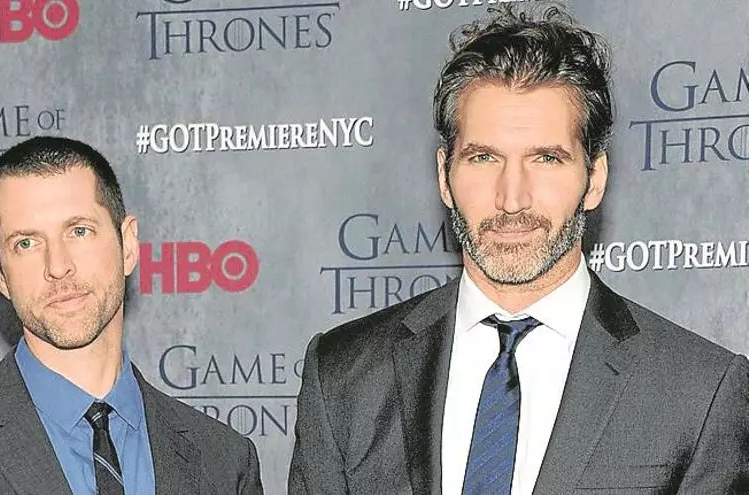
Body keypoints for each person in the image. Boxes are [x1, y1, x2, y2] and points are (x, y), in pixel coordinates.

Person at [289, 6, 749, 494]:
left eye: (546, 159)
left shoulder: (699, 393)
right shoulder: (343, 375)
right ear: (444, 175)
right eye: (483, 158)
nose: (512, 199)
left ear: (594, 178)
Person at [0, 136, 263, 494]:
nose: (58, 266)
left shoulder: (225, 461)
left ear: (127, 245)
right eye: (26, 243)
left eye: (79, 231)